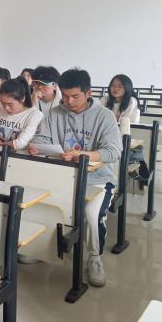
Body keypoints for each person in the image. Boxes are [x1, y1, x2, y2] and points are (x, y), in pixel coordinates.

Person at [28, 68, 121, 287]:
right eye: (65, 96)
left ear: (88, 93)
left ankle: (95, 257)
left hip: (98, 180)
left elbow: (113, 151)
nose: (69, 101)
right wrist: (37, 146)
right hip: (63, 177)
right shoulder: (55, 113)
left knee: (91, 214)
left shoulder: (104, 116)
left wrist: (86, 155)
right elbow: (42, 138)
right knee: (41, 204)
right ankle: (42, 249)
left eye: (75, 96)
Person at [0, 77, 43, 152]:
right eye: (3, 103)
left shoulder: (35, 115)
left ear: (22, 99)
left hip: (22, 156)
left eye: (10, 104)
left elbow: (20, 143)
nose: (6, 108)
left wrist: (1, 144)